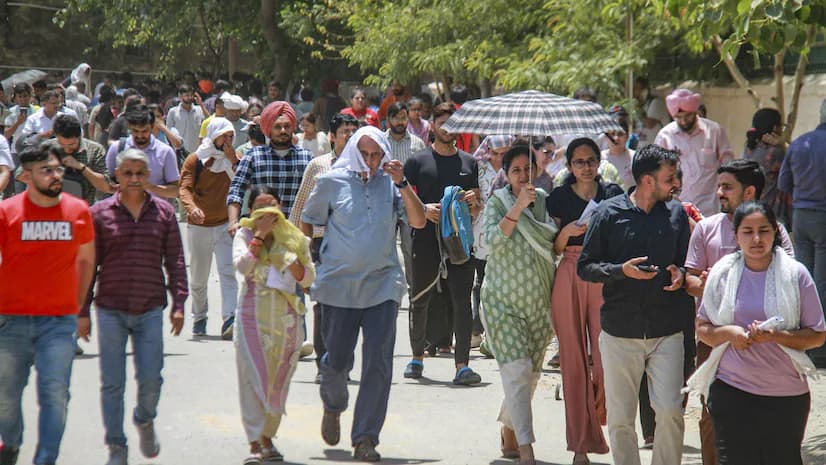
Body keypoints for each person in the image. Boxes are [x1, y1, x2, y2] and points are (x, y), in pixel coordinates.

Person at [300, 126, 426, 461]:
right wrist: (312, 259)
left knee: (379, 364)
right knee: (337, 361)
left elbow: (418, 221)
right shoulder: (330, 181)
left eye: (377, 155)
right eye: (365, 154)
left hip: (383, 286)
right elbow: (307, 219)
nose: (370, 161)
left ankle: (366, 437)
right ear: (354, 152)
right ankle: (334, 404)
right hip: (339, 287)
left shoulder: (392, 185)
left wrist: (402, 184)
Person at [687, 202, 826, 465]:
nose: (757, 239)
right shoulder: (722, 274)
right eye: (747, 231)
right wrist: (729, 333)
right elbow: (703, 327)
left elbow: (817, 335)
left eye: (764, 230)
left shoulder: (797, 275)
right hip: (731, 390)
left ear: (775, 232)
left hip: (786, 396)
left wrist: (777, 336)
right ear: (736, 236)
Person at [578, 144, 691, 465]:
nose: (675, 185)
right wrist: (619, 271)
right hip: (619, 333)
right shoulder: (607, 214)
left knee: (670, 410)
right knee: (621, 419)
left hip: (667, 331)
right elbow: (585, 266)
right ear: (646, 180)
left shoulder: (676, 214)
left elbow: (686, 264)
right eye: (669, 178)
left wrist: (680, 275)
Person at [683, 158, 795, 465]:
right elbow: (690, 279)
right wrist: (707, 285)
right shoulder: (706, 229)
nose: (719, 192)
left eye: (727, 187)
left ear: (749, 192)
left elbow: (790, 280)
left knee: (764, 420)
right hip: (714, 340)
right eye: (719, 186)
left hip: (766, 343)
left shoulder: (777, 233)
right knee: (711, 418)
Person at [85, 148, 188, 465]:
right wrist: (80, 311)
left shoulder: (164, 213)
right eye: (127, 173)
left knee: (151, 378)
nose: (133, 179)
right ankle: (116, 446)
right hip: (110, 309)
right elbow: (89, 265)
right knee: (112, 384)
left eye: (140, 173)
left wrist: (180, 303)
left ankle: (145, 419)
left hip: (149, 308)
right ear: (116, 175)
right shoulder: (100, 213)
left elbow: (175, 260)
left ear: (149, 177)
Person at [0, 144, 96, 465]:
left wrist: (78, 308)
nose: (56, 176)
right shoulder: (6, 213)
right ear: (25, 176)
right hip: (10, 321)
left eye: (58, 169)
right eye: (46, 170)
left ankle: (45, 459)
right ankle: (11, 444)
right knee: (5, 399)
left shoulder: (79, 210)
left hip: (58, 322)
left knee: (55, 395)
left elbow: (86, 261)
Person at [481, 146, 558, 465]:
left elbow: (552, 241)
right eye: (516, 170)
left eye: (528, 168)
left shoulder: (544, 199)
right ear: (506, 172)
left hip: (539, 304)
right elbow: (491, 242)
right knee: (517, 371)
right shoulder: (498, 202)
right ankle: (526, 447)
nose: (523, 175)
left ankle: (509, 430)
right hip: (502, 302)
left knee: (529, 376)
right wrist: (517, 208)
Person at [548, 138, 623, 464]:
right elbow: (553, 245)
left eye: (591, 160)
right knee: (573, 362)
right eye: (579, 162)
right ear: (569, 166)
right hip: (569, 272)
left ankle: (602, 419)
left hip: (604, 274)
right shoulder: (558, 197)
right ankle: (580, 444)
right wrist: (572, 230)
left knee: (608, 359)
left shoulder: (613, 195)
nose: (586, 167)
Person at [233, 187, 315, 464]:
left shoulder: (296, 238)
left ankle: (269, 437)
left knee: (278, 383)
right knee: (253, 379)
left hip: (287, 322)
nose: (268, 212)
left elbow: (307, 280)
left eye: (272, 205)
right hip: (251, 319)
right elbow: (242, 267)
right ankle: (255, 442)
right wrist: (259, 236)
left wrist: (293, 266)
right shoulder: (244, 235)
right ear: (251, 212)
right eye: (260, 207)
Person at [403, 102, 483, 385]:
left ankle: (462, 365)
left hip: (460, 243)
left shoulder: (469, 163)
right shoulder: (417, 162)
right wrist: (425, 209)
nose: (448, 128)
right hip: (425, 240)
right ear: (432, 126)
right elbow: (404, 203)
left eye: (453, 123)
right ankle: (417, 357)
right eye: (443, 123)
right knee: (420, 298)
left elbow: (477, 208)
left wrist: (474, 204)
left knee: (462, 302)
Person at [290, 113, 359, 381]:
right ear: (332, 136)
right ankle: (324, 364)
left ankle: (343, 365)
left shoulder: (364, 169)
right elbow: (299, 211)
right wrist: (299, 248)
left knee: (351, 308)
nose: (350, 135)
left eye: (354, 130)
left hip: (354, 247)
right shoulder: (318, 166)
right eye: (345, 131)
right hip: (321, 244)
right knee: (323, 307)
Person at [180, 117, 239, 338]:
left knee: (228, 272)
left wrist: (235, 162)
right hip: (200, 226)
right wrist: (191, 207)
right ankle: (199, 316)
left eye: (232, 136)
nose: (228, 141)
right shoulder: (195, 160)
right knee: (199, 275)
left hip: (225, 224)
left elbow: (245, 183)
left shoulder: (234, 160)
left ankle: (230, 318)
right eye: (225, 136)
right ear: (214, 136)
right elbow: (184, 188)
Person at [779, 99, 826, 365]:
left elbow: (783, 182)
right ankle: (820, 347)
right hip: (823, 217)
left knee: (803, 280)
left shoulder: (800, 143)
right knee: (822, 281)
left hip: (802, 217)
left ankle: (804, 339)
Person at [227, 101, 313, 232]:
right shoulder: (254, 156)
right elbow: (236, 191)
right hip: (260, 232)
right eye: (277, 127)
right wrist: (233, 222)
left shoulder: (307, 158)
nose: (283, 130)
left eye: (287, 126)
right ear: (269, 129)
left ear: (292, 128)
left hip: (294, 234)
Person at [654, 88, 734, 216]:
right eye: (678, 117)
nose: (684, 121)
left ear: (696, 111)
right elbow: (657, 172)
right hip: (676, 209)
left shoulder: (714, 132)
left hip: (710, 209)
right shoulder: (665, 136)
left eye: (688, 116)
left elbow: (729, 168)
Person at [470, 135, 515, 348]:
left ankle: (496, 330)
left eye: (503, 154)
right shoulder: (478, 168)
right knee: (481, 280)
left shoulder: (516, 169)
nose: (498, 158)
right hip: (481, 229)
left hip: (508, 230)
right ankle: (477, 327)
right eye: (495, 154)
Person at [105, 106, 180, 199]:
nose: (140, 135)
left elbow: (175, 191)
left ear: (152, 127)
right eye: (135, 131)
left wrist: (149, 187)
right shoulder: (117, 148)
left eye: (144, 131)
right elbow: (107, 183)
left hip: (155, 211)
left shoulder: (165, 152)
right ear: (129, 128)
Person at [743, 108, 791, 227]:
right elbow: (799, 164)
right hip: (772, 214)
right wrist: (782, 144)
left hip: (749, 210)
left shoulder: (749, 147)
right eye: (781, 126)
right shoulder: (776, 152)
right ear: (775, 128)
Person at [51, 114, 111, 204]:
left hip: (85, 210)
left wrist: (82, 168)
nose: (67, 149)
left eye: (71, 144)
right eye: (62, 144)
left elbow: (105, 187)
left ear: (79, 136)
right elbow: (24, 175)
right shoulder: (47, 148)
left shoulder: (95, 150)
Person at [166, 84, 207, 153]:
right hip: (180, 152)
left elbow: (210, 121)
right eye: (187, 95)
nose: (190, 97)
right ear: (180, 96)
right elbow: (168, 131)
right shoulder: (173, 112)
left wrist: (201, 105)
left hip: (197, 152)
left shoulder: (199, 110)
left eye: (191, 95)